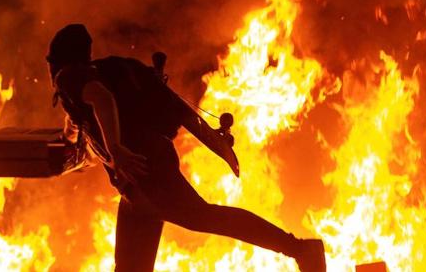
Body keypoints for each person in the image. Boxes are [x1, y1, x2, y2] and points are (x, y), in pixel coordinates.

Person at [47, 24, 326, 272]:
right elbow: (177, 108)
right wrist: (216, 143)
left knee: (204, 217)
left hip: (147, 178)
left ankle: (299, 249)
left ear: (58, 60)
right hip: (139, 186)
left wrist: (116, 148)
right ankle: (300, 249)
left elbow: (101, 99)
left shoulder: (69, 77)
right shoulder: (107, 74)